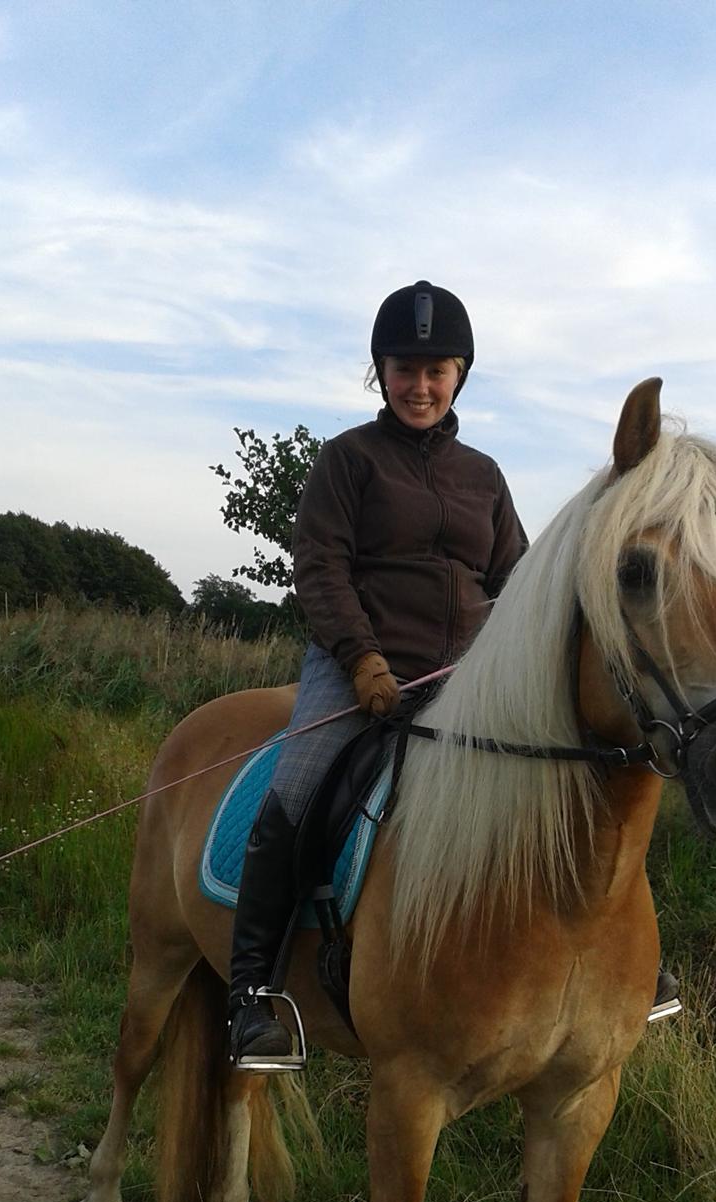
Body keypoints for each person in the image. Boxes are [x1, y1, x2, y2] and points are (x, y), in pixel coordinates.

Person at [228, 280, 528, 1071]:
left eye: (437, 370)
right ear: (380, 372)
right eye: (404, 369)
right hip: (358, 669)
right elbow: (320, 569)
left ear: (461, 373)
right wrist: (361, 659)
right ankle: (252, 995)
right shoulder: (348, 460)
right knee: (296, 790)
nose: (420, 386)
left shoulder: (486, 477)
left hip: (463, 676)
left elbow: (517, 579)